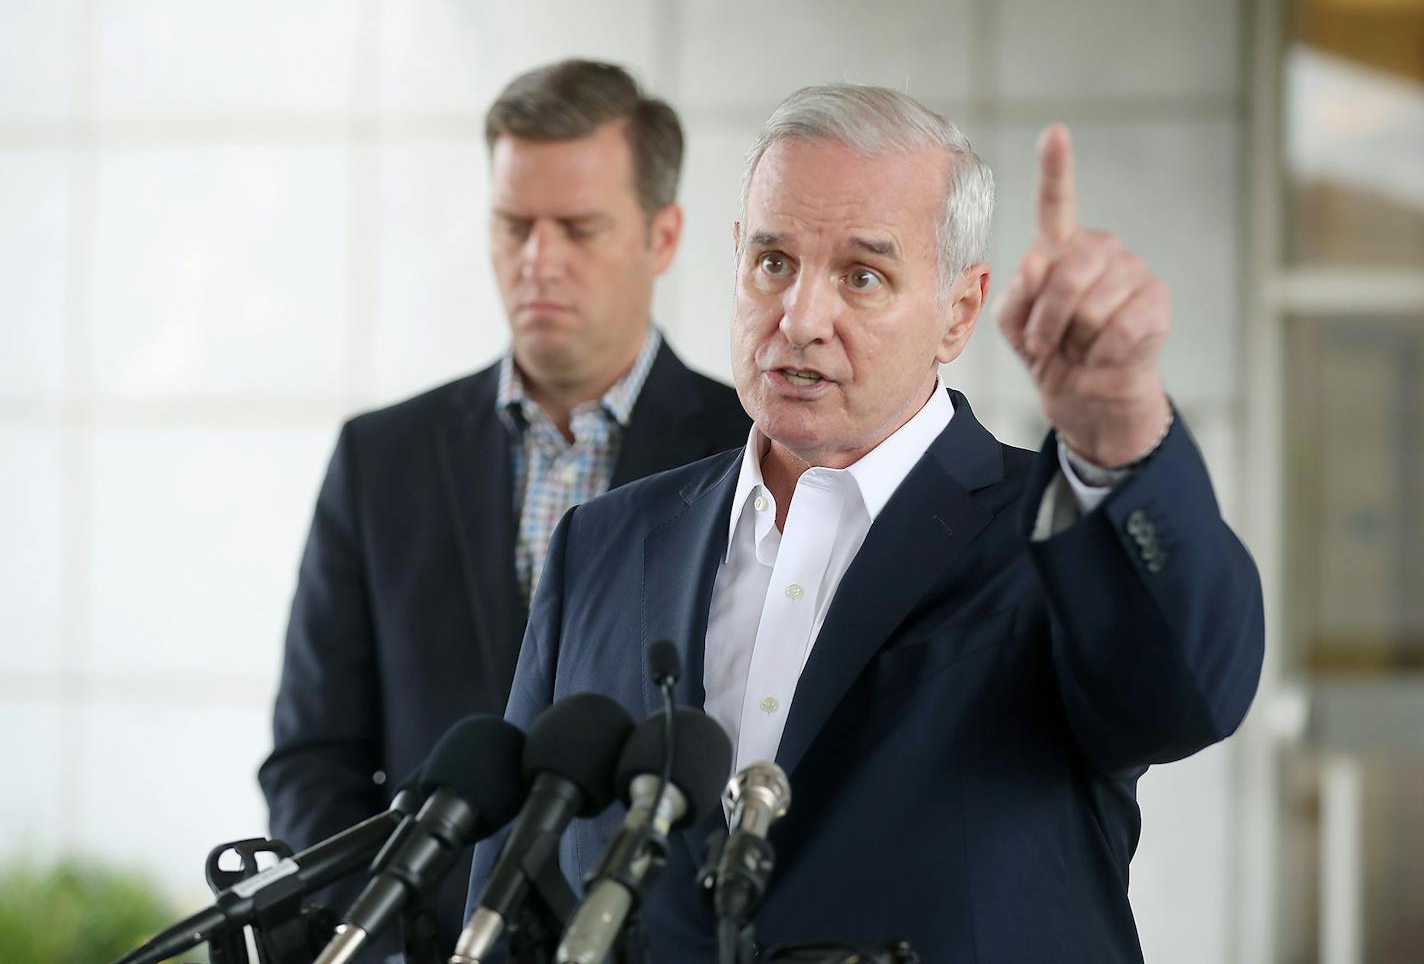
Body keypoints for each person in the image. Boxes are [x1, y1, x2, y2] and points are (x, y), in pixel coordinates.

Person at [466, 85, 1264, 962]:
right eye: (773, 262)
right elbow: (513, 889)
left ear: (958, 311)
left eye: (862, 275)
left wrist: (1120, 430)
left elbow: (1186, 696)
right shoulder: (603, 545)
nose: (802, 319)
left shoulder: (1051, 536)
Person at [259, 60, 750, 951]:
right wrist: (374, 935)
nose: (538, 261)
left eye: (579, 228)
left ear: (663, 235)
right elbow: (312, 752)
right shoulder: (381, 459)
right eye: (514, 225)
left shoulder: (751, 447)